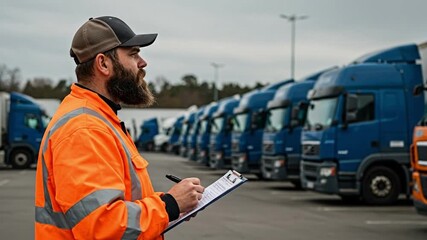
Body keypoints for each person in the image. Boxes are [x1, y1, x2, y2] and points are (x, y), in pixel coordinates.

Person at [34, 16, 204, 240]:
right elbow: (102, 226)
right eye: (133, 54)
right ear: (103, 64)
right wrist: (169, 205)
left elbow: (118, 205)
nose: (142, 63)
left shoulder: (99, 118)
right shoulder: (85, 128)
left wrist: (170, 205)